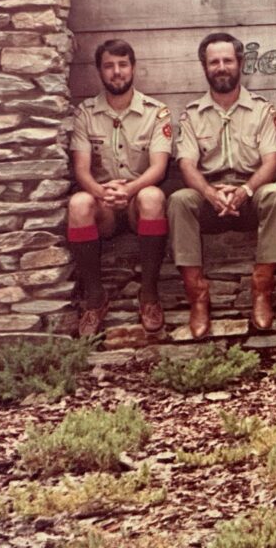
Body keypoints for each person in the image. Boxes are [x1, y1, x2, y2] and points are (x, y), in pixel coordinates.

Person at [167, 32, 276, 338]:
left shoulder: (262, 109)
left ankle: (262, 290)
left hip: (250, 195)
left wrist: (245, 191)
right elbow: (186, 165)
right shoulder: (193, 114)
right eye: (214, 62)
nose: (221, 67)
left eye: (227, 60)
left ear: (240, 64)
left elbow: (271, 162)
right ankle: (197, 296)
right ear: (205, 67)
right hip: (208, 198)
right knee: (180, 200)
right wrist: (209, 194)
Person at [68, 39, 171, 337]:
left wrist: (130, 190)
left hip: (137, 199)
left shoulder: (156, 112)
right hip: (104, 206)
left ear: (133, 67)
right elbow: (81, 171)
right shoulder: (85, 113)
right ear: (100, 71)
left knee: (153, 197)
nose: (117, 72)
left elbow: (158, 168)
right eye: (109, 66)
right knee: (78, 204)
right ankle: (95, 298)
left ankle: (149, 295)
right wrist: (102, 193)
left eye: (123, 65)